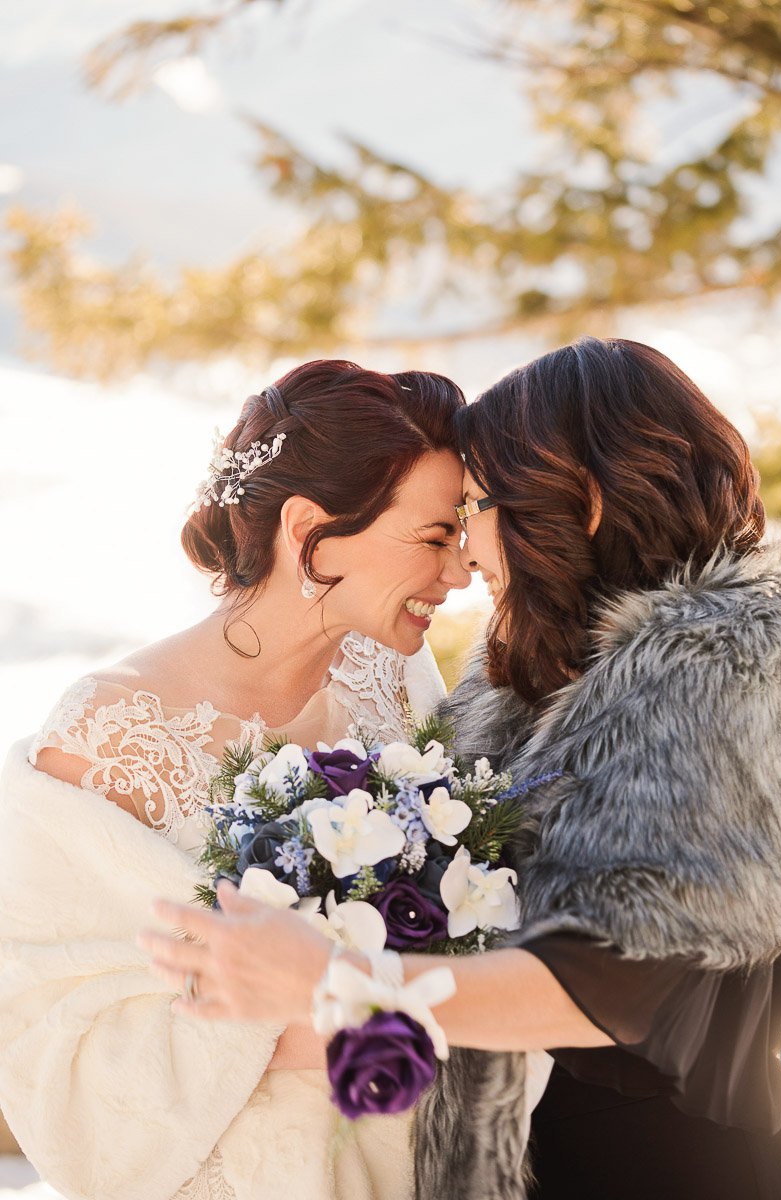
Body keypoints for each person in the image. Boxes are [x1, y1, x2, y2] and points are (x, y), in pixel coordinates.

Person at [141, 338, 781, 1200]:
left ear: (586, 497)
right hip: (505, 1156)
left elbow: (619, 981)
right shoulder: (523, 666)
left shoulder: (725, 666)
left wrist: (336, 980)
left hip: (665, 1159)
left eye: (481, 504)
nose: (466, 554)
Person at [0, 359, 471, 1200]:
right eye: (435, 537)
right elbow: (48, 1034)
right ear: (309, 529)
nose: (460, 572)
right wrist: (320, 1019)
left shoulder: (391, 673)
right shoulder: (104, 734)